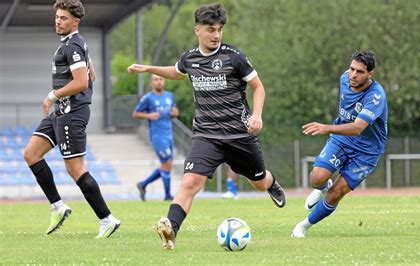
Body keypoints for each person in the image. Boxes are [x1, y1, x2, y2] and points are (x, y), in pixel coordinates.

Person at [127, 3, 286, 250]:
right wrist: (148, 68)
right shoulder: (190, 58)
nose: (216, 35)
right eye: (210, 29)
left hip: (239, 135)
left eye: (219, 29)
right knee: (189, 183)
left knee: (258, 181)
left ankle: (271, 182)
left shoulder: (234, 57)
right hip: (206, 136)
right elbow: (178, 72)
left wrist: (257, 115)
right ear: (197, 30)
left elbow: (258, 87)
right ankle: (171, 231)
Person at [23, 0, 120, 238]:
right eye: (57, 17)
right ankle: (58, 206)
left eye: (63, 18)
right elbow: (92, 74)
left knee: (74, 169)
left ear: (75, 22)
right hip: (61, 111)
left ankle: (107, 219)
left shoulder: (73, 45)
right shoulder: (71, 44)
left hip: (72, 113)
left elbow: (82, 82)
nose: (58, 21)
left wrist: (52, 95)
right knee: (31, 154)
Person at [291, 50, 388, 238]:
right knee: (316, 178)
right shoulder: (344, 79)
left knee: (336, 193)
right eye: (352, 69)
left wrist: (326, 128)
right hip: (342, 139)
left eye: (360, 72)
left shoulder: (376, 96)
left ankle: (303, 226)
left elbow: (359, 127)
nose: (353, 74)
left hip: (367, 152)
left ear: (370, 74)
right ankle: (322, 186)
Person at [134, 74, 179, 201]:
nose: (159, 82)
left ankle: (143, 184)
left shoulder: (169, 96)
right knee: (167, 163)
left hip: (168, 134)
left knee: (167, 164)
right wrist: (149, 116)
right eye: (156, 79)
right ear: (151, 83)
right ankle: (167, 195)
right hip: (157, 136)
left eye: (161, 79)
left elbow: (175, 111)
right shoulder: (148, 98)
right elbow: (136, 113)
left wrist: (175, 113)